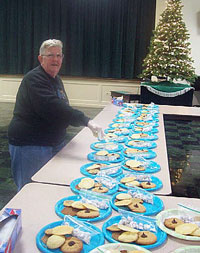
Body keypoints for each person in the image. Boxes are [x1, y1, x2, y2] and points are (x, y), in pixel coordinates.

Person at [8, 39, 104, 191]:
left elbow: (62, 107)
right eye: (51, 55)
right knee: (31, 190)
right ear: (41, 58)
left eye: (59, 55)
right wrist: (86, 121)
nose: (55, 59)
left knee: (48, 188)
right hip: (30, 144)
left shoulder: (55, 79)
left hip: (51, 142)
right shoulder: (34, 79)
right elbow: (54, 108)